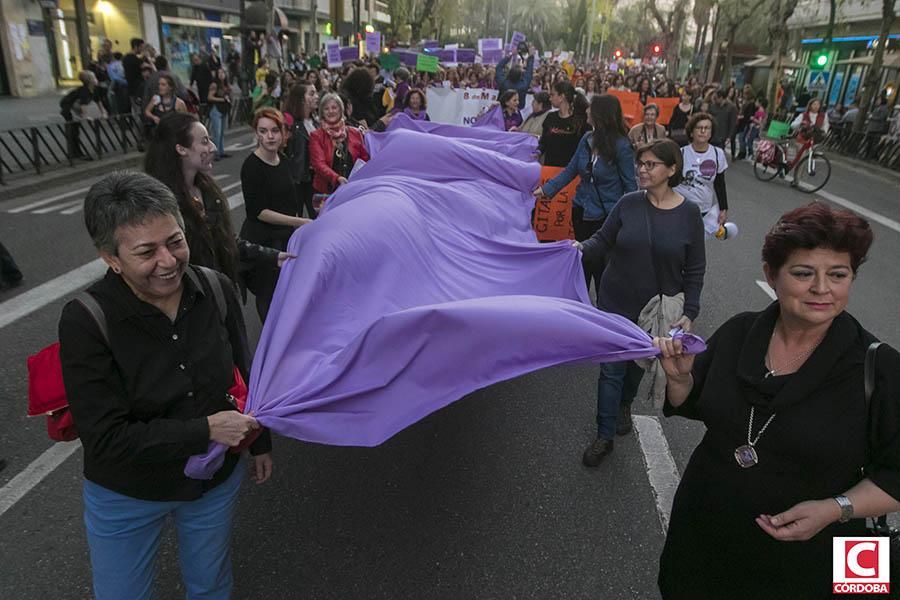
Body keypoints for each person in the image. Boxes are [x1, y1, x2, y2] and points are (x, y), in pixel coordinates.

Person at [656, 203, 900, 599]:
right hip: (706, 536)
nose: (822, 289)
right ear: (771, 275)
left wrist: (835, 508)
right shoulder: (739, 332)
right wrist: (680, 378)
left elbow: (895, 474)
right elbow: (696, 404)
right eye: (804, 273)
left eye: (838, 275)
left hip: (812, 559)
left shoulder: (880, 367)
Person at [59, 171, 273, 600]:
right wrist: (207, 430)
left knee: (210, 584)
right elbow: (103, 438)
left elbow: (244, 368)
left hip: (212, 480)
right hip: (128, 493)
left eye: (174, 241)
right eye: (146, 252)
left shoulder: (215, 287)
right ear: (111, 258)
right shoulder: (86, 319)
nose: (169, 260)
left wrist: (260, 440)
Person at [572, 139, 705, 466]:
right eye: (640, 164)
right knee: (611, 370)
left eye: (651, 165)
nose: (642, 170)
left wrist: (690, 311)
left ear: (671, 170)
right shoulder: (628, 203)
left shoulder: (689, 214)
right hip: (615, 300)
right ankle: (604, 436)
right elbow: (601, 241)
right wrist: (577, 249)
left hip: (655, 311)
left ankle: (624, 405)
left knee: (636, 367)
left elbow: (695, 268)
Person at [144, 111, 291, 287]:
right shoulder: (160, 205)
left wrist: (272, 256)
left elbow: (226, 240)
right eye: (205, 141)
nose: (213, 147)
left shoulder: (207, 189)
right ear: (181, 149)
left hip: (223, 292)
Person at [534, 95, 637, 299]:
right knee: (582, 264)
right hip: (580, 211)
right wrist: (546, 190)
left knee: (601, 268)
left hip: (605, 217)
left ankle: (603, 311)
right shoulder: (587, 139)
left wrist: (631, 219)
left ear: (601, 114)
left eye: (591, 109)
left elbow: (630, 186)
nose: (587, 112)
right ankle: (580, 308)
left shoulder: (622, 146)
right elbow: (571, 169)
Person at [240, 107, 311, 320]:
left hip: (287, 238)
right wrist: (299, 221)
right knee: (269, 299)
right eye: (263, 131)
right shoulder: (251, 166)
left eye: (274, 130)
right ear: (256, 134)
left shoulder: (284, 160)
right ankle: (271, 347)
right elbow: (258, 211)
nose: (269, 136)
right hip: (263, 243)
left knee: (289, 296)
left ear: (283, 133)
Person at [674, 113, 729, 238]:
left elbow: (720, 183)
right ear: (691, 132)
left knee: (696, 246)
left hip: (703, 210)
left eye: (707, 128)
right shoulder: (681, 153)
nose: (703, 131)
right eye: (699, 128)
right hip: (679, 208)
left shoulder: (717, 154)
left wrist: (723, 208)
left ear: (711, 133)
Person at [309, 93, 370, 195]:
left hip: (353, 188)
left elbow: (364, 159)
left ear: (341, 110)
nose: (331, 111)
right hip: (326, 191)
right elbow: (319, 164)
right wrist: (337, 178)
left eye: (334, 107)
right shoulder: (316, 136)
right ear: (321, 113)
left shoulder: (355, 132)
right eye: (326, 109)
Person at [283, 82, 320, 219]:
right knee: (293, 218)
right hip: (296, 180)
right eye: (311, 93)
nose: (316, 96)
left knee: (318, 217)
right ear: (300, 98)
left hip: (315, 179)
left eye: (316, 93)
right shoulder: (289, 121)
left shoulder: (316, 121)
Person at [539, 80, 590, 167]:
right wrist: (537, 152)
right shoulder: (550, 117)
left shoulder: (581, 121)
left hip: (572, 173)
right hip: (549, 172)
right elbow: (543, 143)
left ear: (561, 97)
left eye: (552, 95)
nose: (550, 98)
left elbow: (586, 150)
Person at [206, 67, 232, 161]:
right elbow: (209, 97)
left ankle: (221, 151)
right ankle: (215, 153)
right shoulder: (214, 84)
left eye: (223, 72)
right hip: (216, 109)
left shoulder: (226, 84)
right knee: (216, 132)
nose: (221, 74)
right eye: (219, 72)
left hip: (224, 109)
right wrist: (222, 99)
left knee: (222, 132)